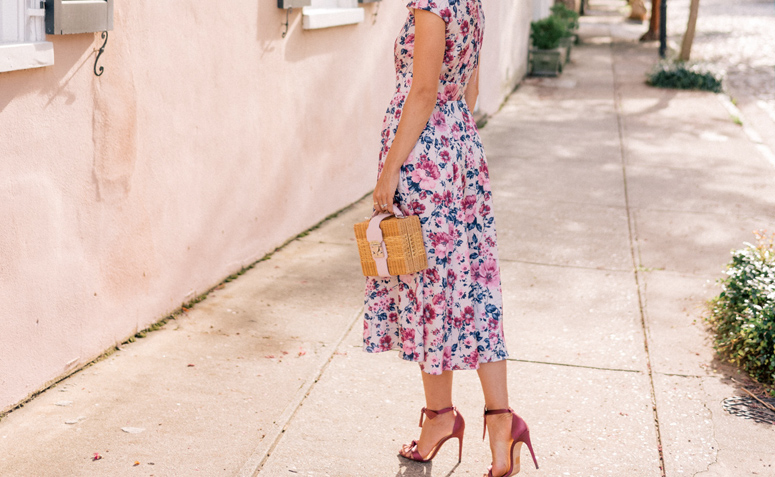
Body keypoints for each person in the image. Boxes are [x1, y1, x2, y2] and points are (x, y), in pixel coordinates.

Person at [363, 1, 539, 476]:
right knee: (475, 287)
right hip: (460, 148)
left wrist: (392, 167)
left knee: (430, 291)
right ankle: (502, 425)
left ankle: (441, 417)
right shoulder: (472, 4)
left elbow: (421, 90)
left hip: (424, 158)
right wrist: (450, 137)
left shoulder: (431, 4)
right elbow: (471, 90)